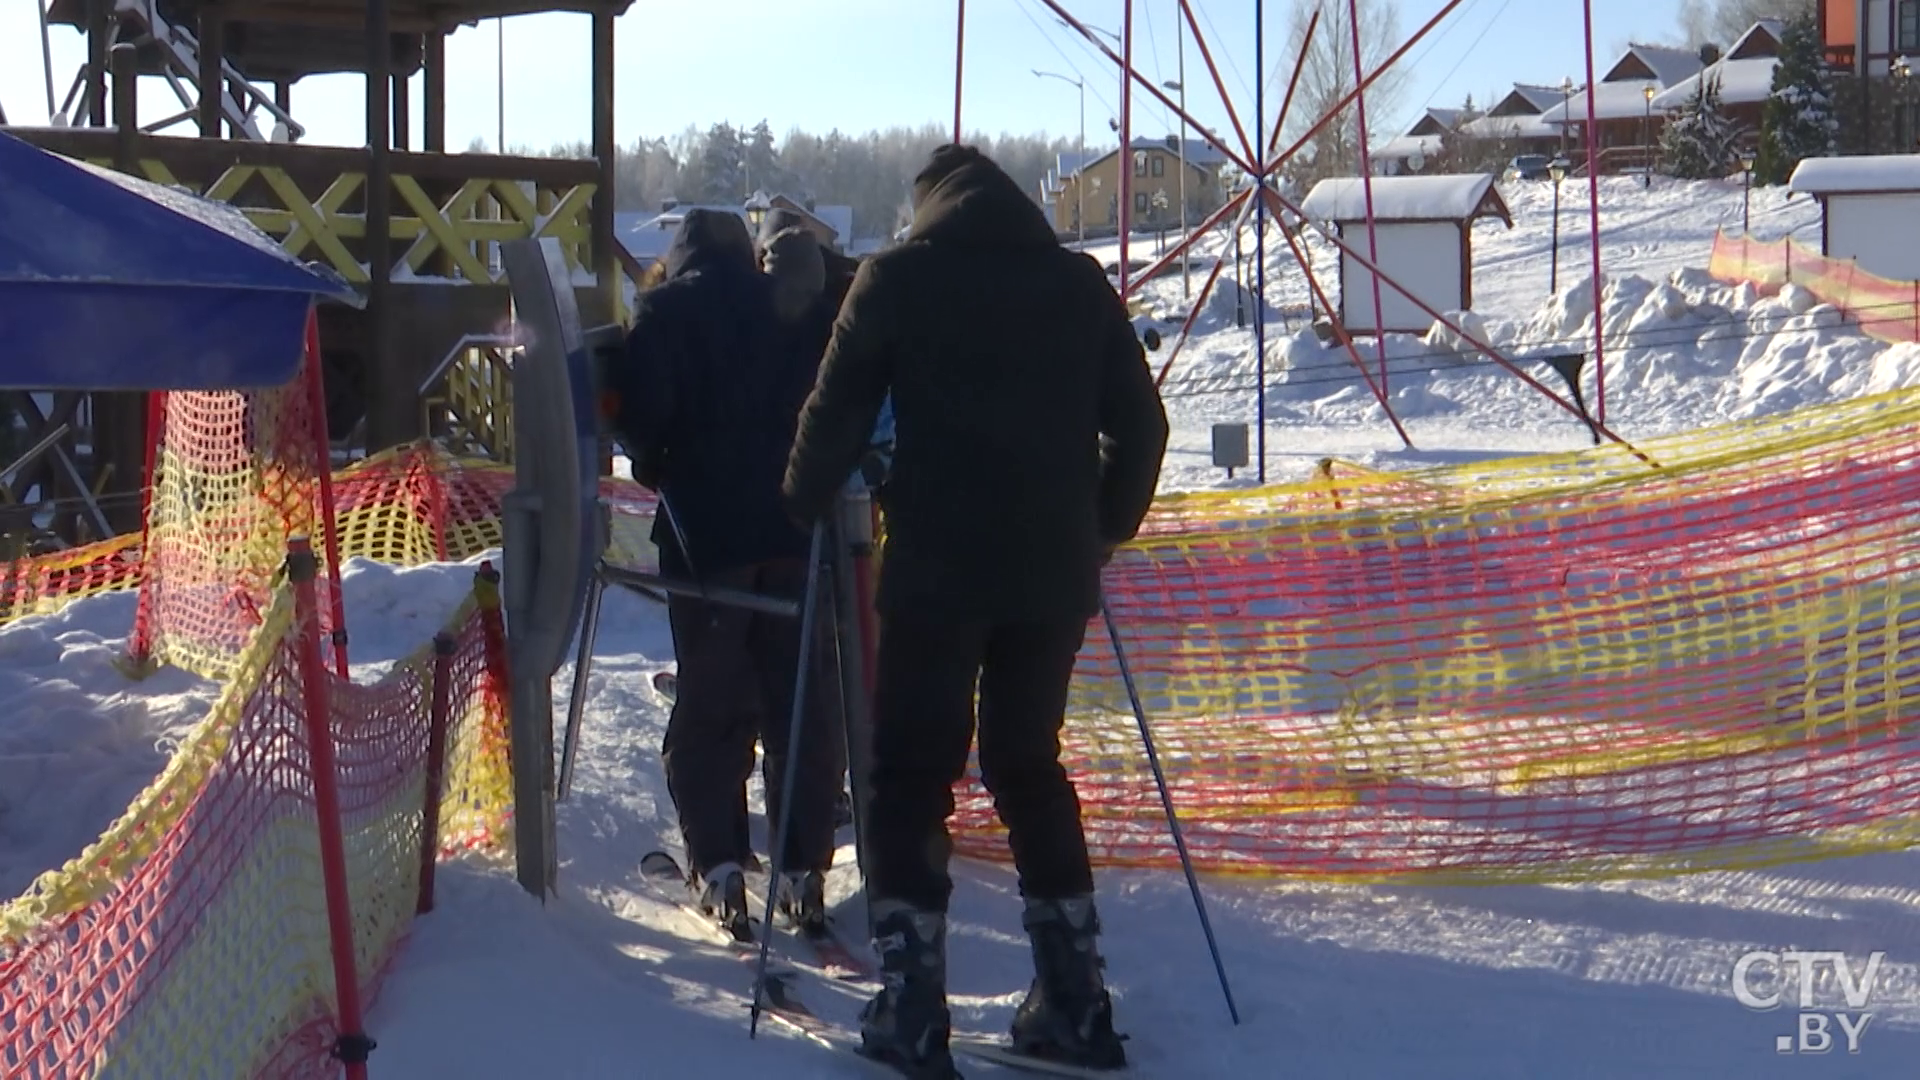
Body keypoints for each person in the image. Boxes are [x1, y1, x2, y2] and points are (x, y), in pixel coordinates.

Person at [782, 145, 1169, 1076]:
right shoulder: (1078, 286)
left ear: (928, 208)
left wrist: (802, 500)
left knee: (910, 773)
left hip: (936, 573)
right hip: (1051, 579)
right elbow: (1144, 427)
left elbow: (830, 423)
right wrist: (1102, 526)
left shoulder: (894, 280)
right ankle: (1075, 1005)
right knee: (1029, 767)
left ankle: (914, 1007)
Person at [604, 208, 845, 938]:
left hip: (708, 540)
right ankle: (803, 868)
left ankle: (720, 867)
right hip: (797, 534)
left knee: (711, 706)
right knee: (797, 703)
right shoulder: (791, 304)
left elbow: (645, 423)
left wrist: (656, 461)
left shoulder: (664, 310)